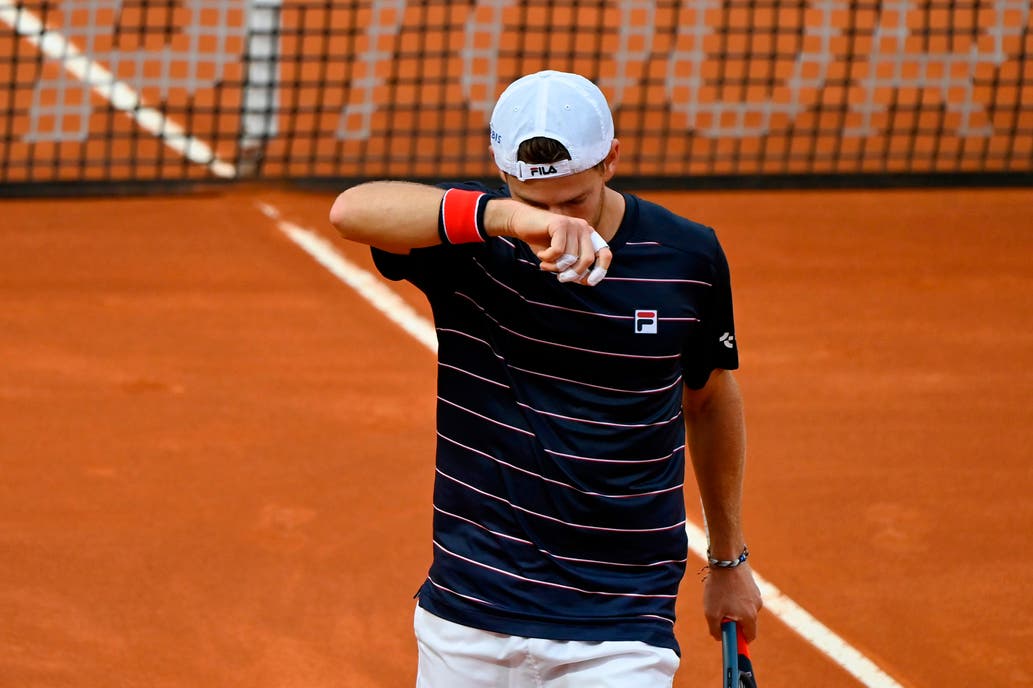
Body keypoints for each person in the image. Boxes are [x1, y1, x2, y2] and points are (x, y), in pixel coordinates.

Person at [329, 70, 762, 687]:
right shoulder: (474, 245)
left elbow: (711, 399)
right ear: (502, 173)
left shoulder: (687, 257)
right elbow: (351, 211)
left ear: (612, 159)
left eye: (574, 202)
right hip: (469, 612)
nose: (560, 223)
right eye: (539, 204)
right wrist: (507, 219)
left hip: (620, 624)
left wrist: (727, 560)